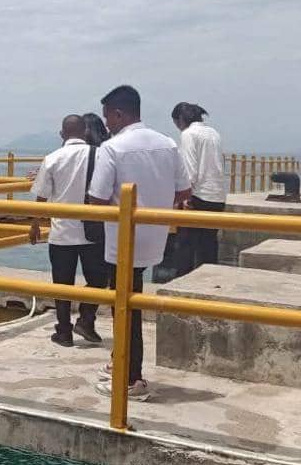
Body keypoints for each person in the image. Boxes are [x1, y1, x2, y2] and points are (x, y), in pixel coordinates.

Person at [87, 85, 191, 401]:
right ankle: (119, 361)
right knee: (131, 299)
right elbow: (184, 190)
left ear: (119, 114)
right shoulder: (167, 144)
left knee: (124, 306)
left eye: (108, 118)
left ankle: (132, 377)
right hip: (155, 236)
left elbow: (96, 198)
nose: (106, 125)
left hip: (123, 239)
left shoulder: (113, 148)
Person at [30, 115, 108, 347]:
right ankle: (86, 317)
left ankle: (64, 332)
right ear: (85, 132)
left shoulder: (52, 158)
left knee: (62, 284)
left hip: (61, 232)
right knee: (98, 280)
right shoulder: (100, 154)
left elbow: (41, 196)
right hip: (93, 230)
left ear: (62, 134)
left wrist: (34, 224)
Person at [172, 102, 227, 275]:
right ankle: (209, 283)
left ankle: (181, 285)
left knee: (185, 246)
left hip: (198, 196)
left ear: (181, 119)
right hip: (217, 196)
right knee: (209, 245)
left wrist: (184, 197)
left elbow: (190, 169)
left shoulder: (189, 134)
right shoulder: (214, 133)